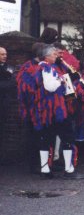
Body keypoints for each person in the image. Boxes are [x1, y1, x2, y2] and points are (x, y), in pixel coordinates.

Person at [33, 44, 84, 179]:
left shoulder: (42, 67)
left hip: (48, 109)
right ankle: (69, 170)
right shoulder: (46, 67)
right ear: (46, 56)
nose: (56, 56)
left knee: (47, 138)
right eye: (53, 54)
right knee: (67, 136)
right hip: (55, 109)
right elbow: (50, 87)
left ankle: (45, 170)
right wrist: (62, 79)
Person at [17, 43, 44, 173]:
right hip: (33, 109)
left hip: (43, 108)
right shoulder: (28, 67)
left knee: (43, 137)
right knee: (34, 137)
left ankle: (44, 163)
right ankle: (33, 166)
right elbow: (25, 90)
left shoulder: (45, 66)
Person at [0, 47, 16, 163]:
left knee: (3, 130)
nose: (4, 56)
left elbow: (13, 84)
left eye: (5, 54)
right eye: (2, 54)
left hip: (5, 103)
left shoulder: (9, 68)